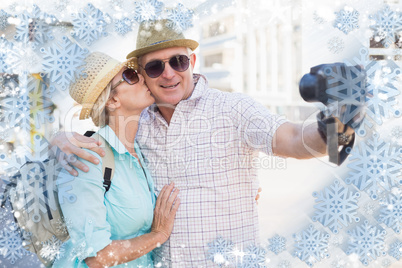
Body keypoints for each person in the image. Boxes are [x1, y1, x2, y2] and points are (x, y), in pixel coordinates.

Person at [52, 19, 355, 267]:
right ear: (143, 76)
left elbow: (292, 139)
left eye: (179, 61)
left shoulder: (233, 109)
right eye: (155, 67)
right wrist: (58, 141)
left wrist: (336, 130)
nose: (169, 73)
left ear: (192, 62)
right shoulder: (137, 129)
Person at [53, 51, 180, 268]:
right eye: (130, 75)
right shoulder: (87, 158)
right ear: (112, 100)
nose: (142, 77)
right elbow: (97, 257)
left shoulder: (139, 151)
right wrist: (159, 235)